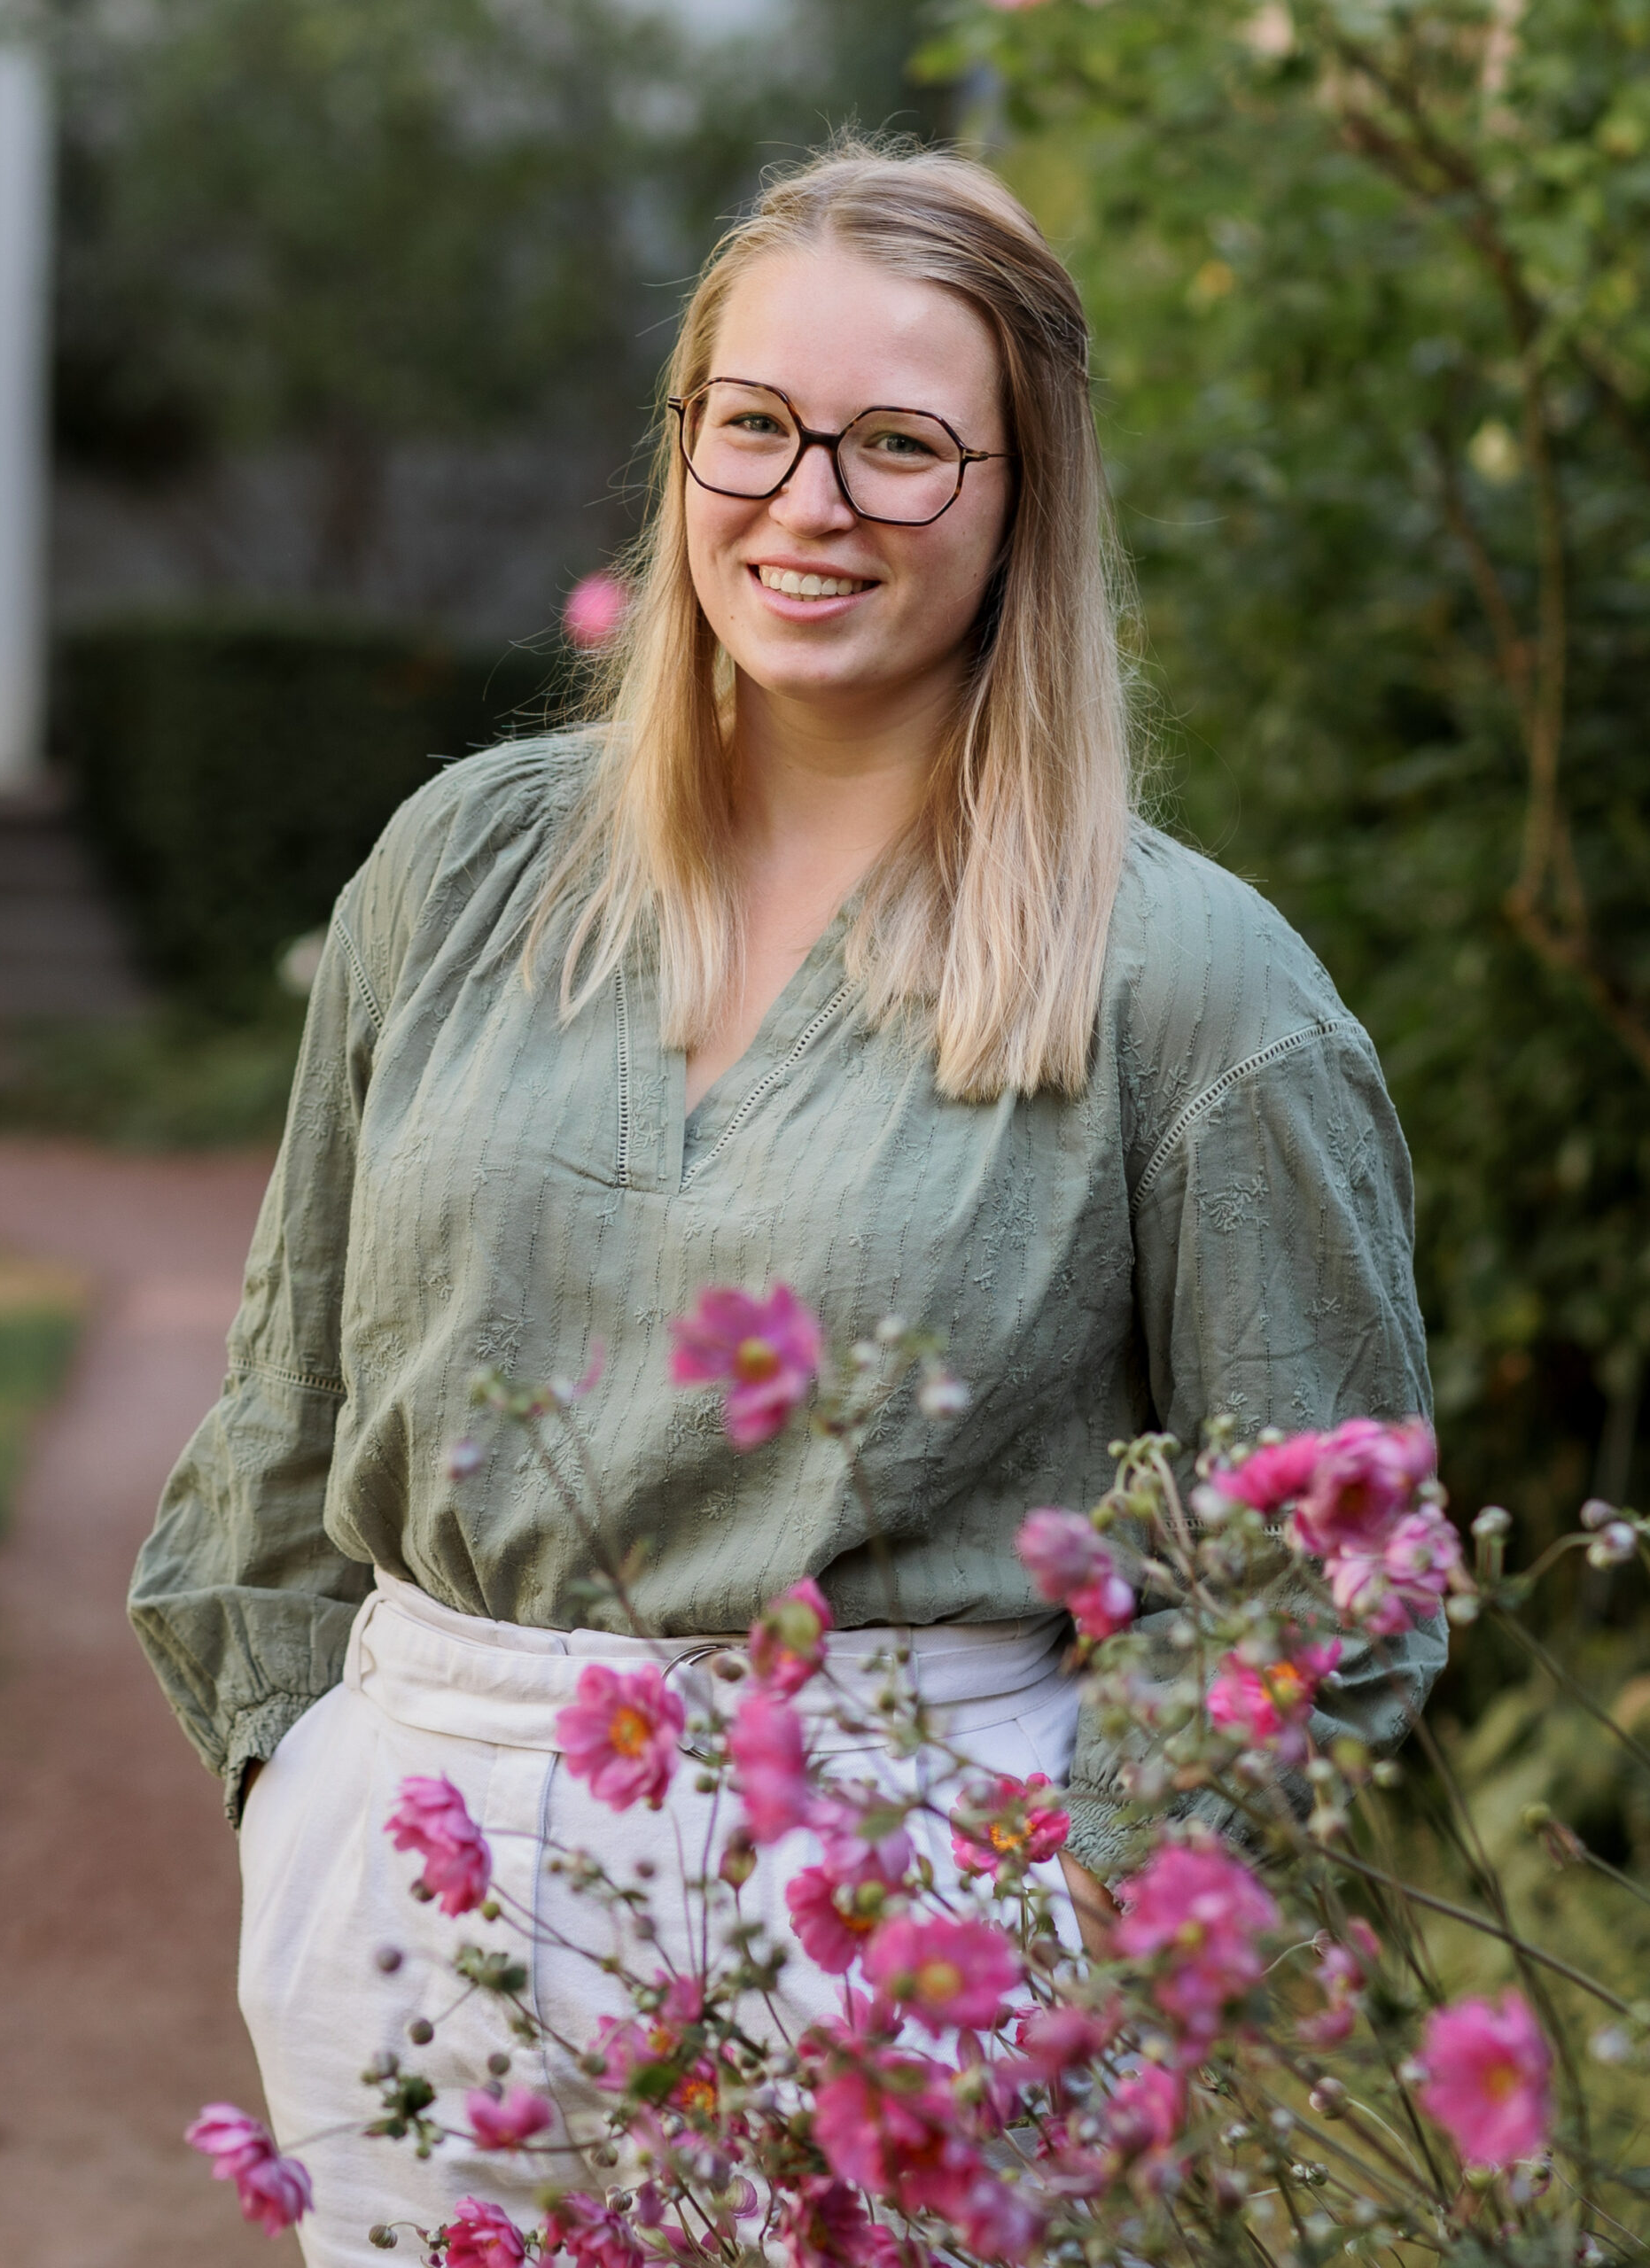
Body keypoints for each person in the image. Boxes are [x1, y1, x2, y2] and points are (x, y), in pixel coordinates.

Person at [130, 141, 1441, 2262]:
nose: (805, 500)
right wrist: (304, 1790)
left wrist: (1063, 1928)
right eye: (752, 424)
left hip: (906, 1935)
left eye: (900, 447)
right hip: (416, 1878)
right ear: (680, 450)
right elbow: (288, 1397)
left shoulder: (1185, 988)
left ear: (1022, 492)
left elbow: (1329, 1581)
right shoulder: (464, 869)